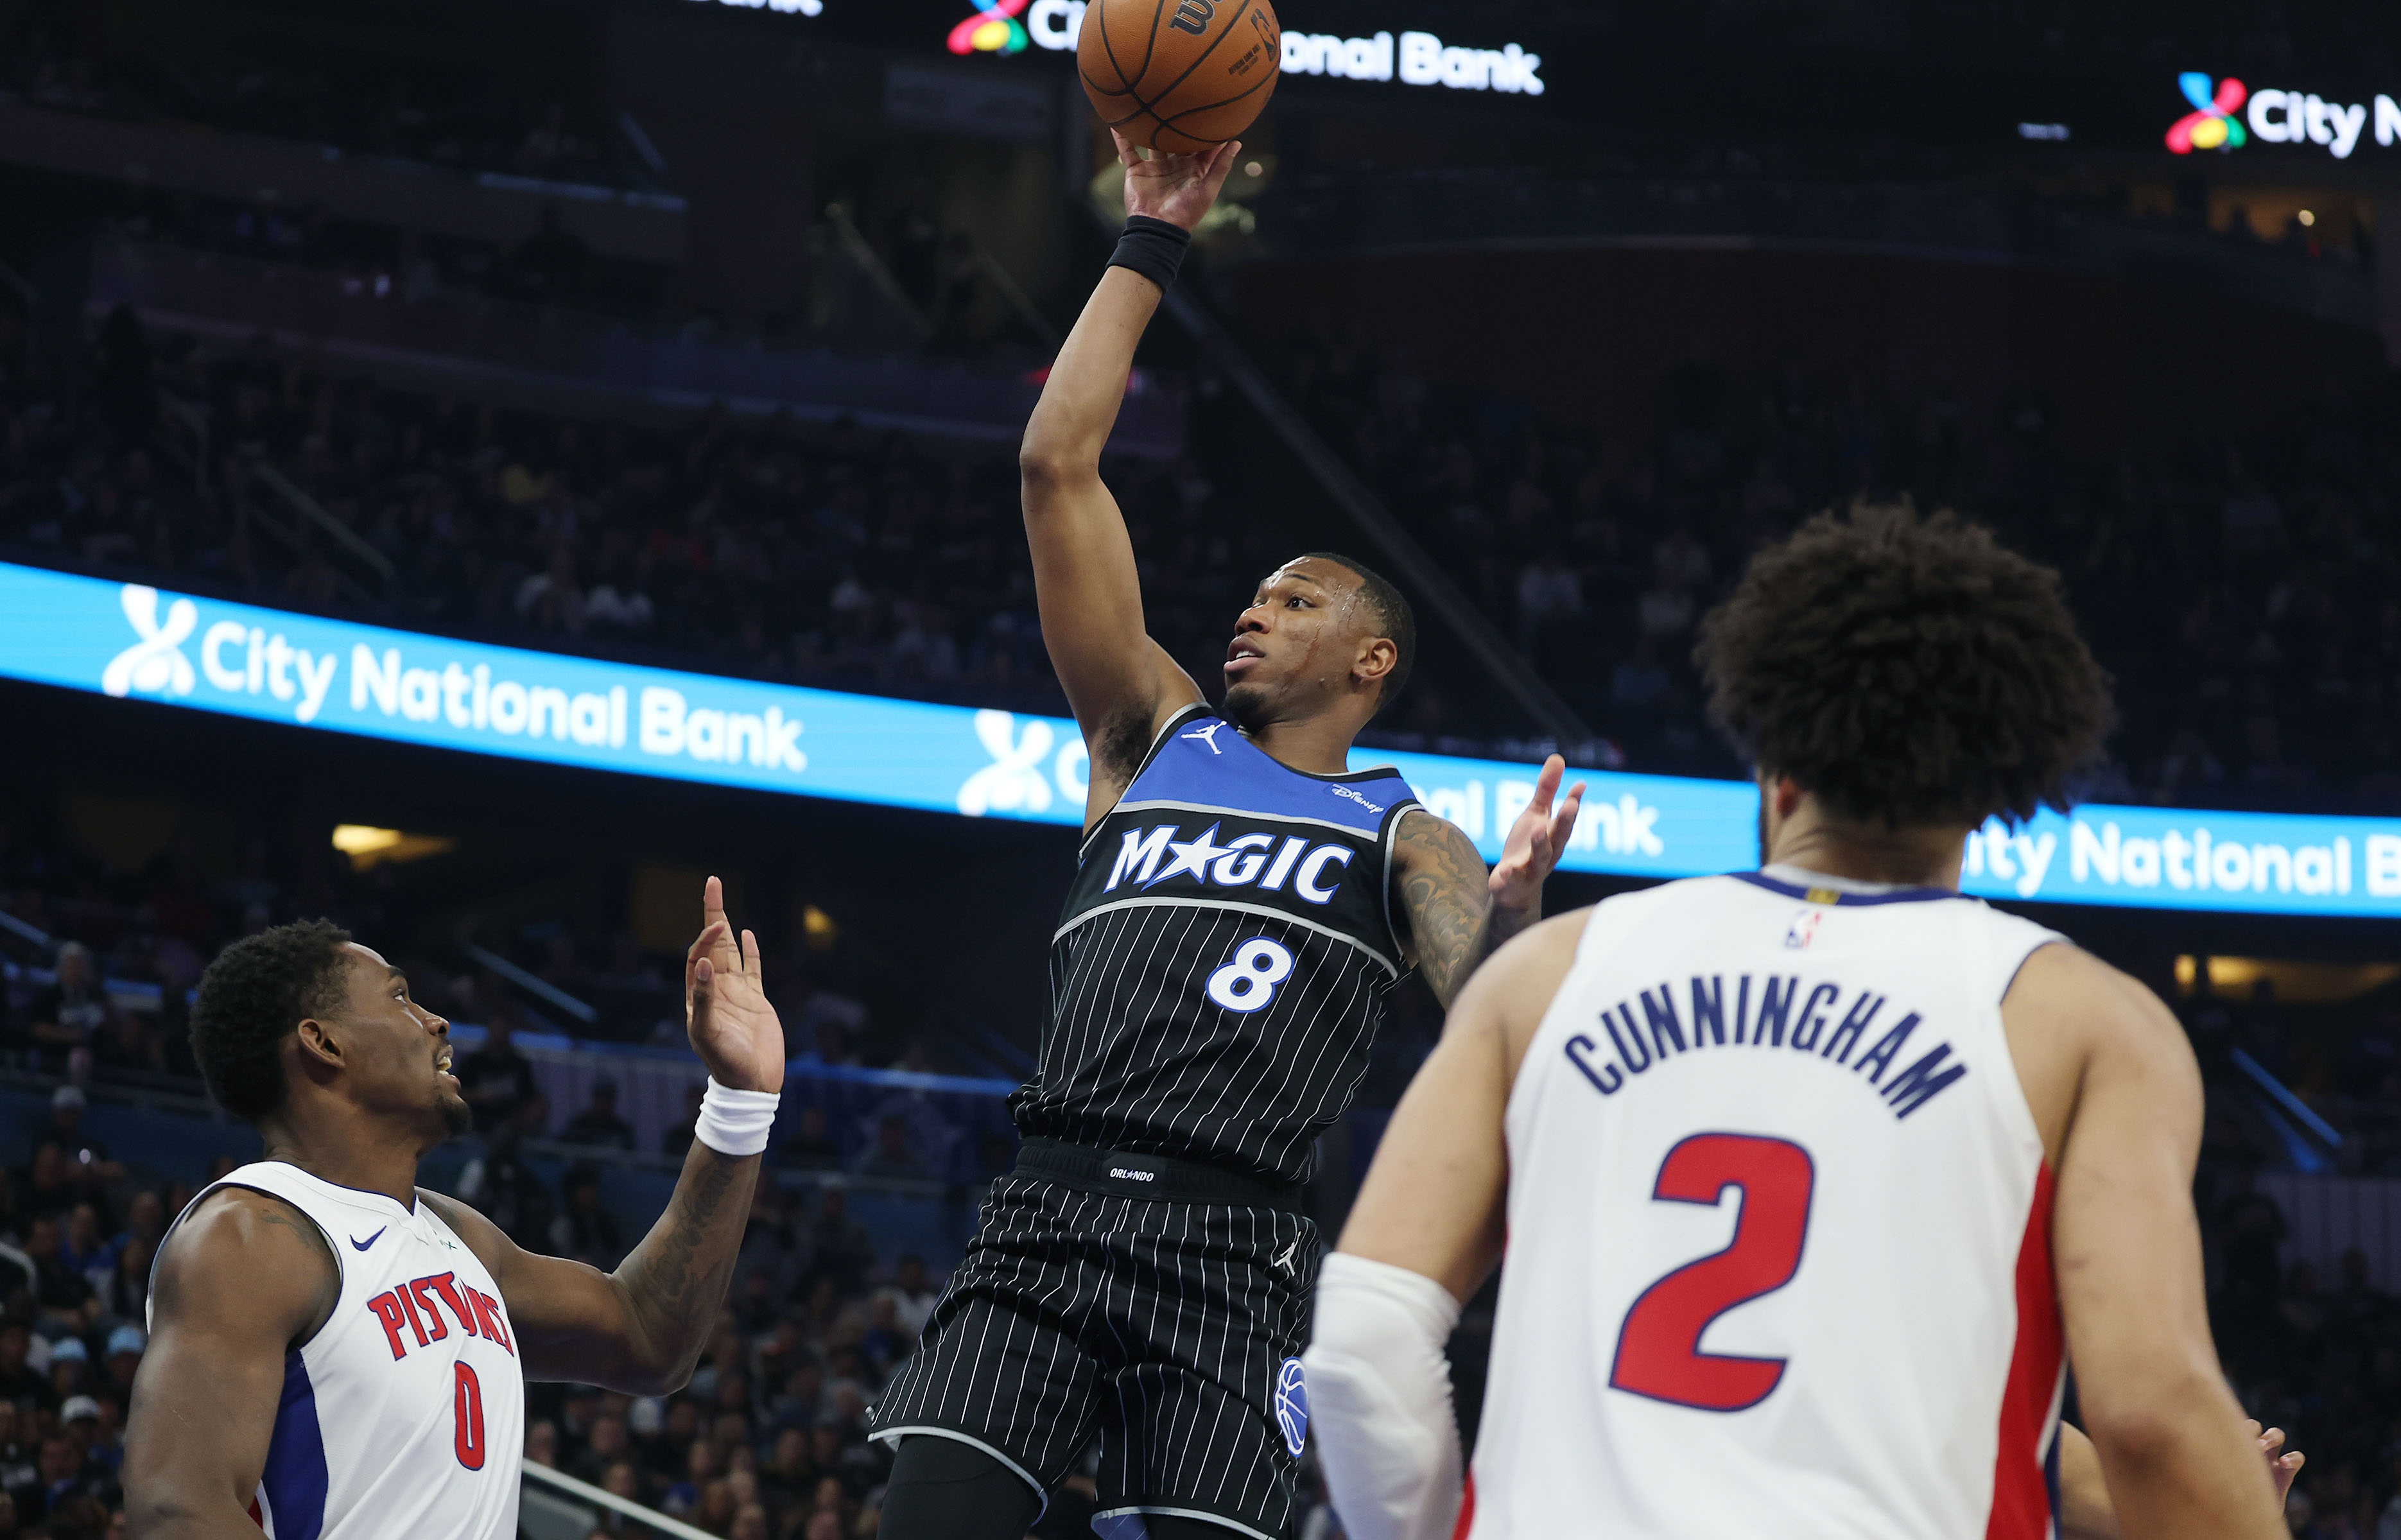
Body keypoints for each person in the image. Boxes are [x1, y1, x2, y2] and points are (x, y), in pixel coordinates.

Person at [1303, 506, 2301, 1539]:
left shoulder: (1547, 970)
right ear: (1991, 789)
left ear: (1776, 764)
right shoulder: (2085, 1020)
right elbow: (2148, 1419)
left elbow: (1364, 1342)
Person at [868, 132, 1586, 1540]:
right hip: (1047, 1208)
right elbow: (1055, 463)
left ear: (1372, 659)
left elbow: (1497, 1022)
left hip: (1237, 1246)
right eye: (1256, 593)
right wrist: (1150, 239)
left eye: (1297, 599)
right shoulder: (1150, 732)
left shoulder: (1406, 833)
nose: (1253, 609)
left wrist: (1514, 914)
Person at [122, 878, 788, 1540]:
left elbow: (649, 1339)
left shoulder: (458, 1235)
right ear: (324, 1042)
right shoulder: (249, 1236)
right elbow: (178, 1513)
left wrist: (740, 1101)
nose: (435, 1020)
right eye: (399, 997)